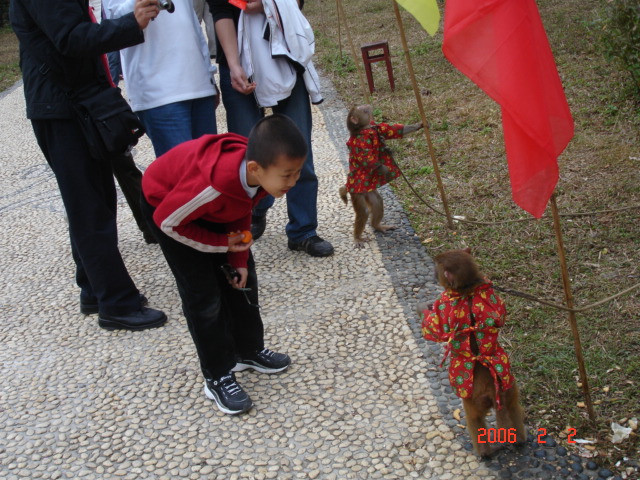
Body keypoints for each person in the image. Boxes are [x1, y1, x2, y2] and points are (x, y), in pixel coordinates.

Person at [10, 0, 167, 330]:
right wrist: (130, 23)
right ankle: (116, 304)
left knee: (92, 201)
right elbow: (71, 38)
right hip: (64, 109)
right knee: (90, 207)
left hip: (69, 104)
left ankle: (94, 289)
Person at [141, 114, 301, 414]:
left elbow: (241, 203)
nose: (293, 182)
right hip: (171, 210)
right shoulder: (212, 187)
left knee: (241, 280)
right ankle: (217, 374)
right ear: (255, 168)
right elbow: (167, 222)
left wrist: (237, 257)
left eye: (297, 173)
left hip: (210, 207)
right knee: (204, 297)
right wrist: (220, 245)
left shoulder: (256, 174)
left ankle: (247, 350)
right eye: (287, 175)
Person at [208, 0, 334, 257]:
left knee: (298, 147)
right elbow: (220, 11)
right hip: (237, 56)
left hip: (283, 52)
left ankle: (303, 230)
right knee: (244, 153)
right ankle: (252, 212)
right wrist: (233, 65)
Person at [104, 0, 219, 157]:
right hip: (159, 91)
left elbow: (192, 22)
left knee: (209, 171)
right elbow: (113, 19)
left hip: (198, 84)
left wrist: (208, 74)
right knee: (182, 174)